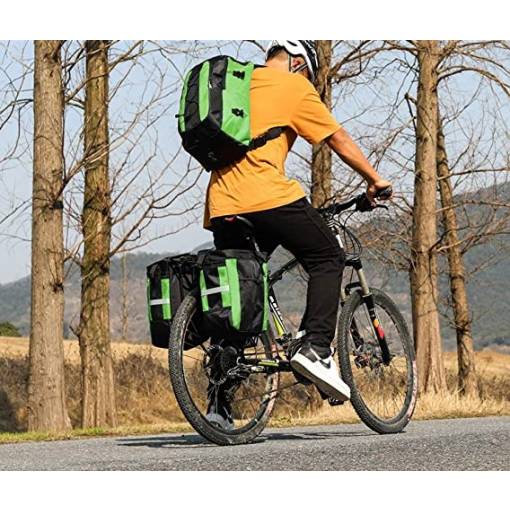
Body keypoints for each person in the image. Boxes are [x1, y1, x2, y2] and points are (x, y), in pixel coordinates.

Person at [204, 40, 392, 429]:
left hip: (222, 204)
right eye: (308, 73)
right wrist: (374, 179)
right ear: (298, 63)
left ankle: (218, 406)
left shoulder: (238, 85)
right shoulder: (293, 86)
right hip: (267, 196)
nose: (307, 80)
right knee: (327, 257)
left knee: (242, 292)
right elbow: (337, 139)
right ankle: (317, 348)